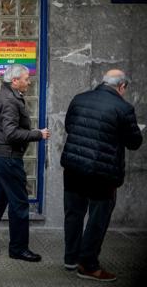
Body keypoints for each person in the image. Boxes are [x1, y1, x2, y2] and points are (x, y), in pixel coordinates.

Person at [60, 69, 142, 281]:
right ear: (121, 86)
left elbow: (70, 126)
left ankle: (70, 258)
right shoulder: (123, 108)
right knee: (98, 218)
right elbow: (134, 142)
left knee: (74, 214)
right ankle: (88, 265)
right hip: (101, 173)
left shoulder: (79, 99)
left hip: (73, 167)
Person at [0, 64, 50, 262]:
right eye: (25, 78)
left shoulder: (7, 95)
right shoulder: (9, 100)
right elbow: (11, 133)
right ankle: (18, 248)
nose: (29, 82)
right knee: (20, 203)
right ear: (14, 81)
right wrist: (38, 134)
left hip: (3, 156)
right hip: (8, 157)